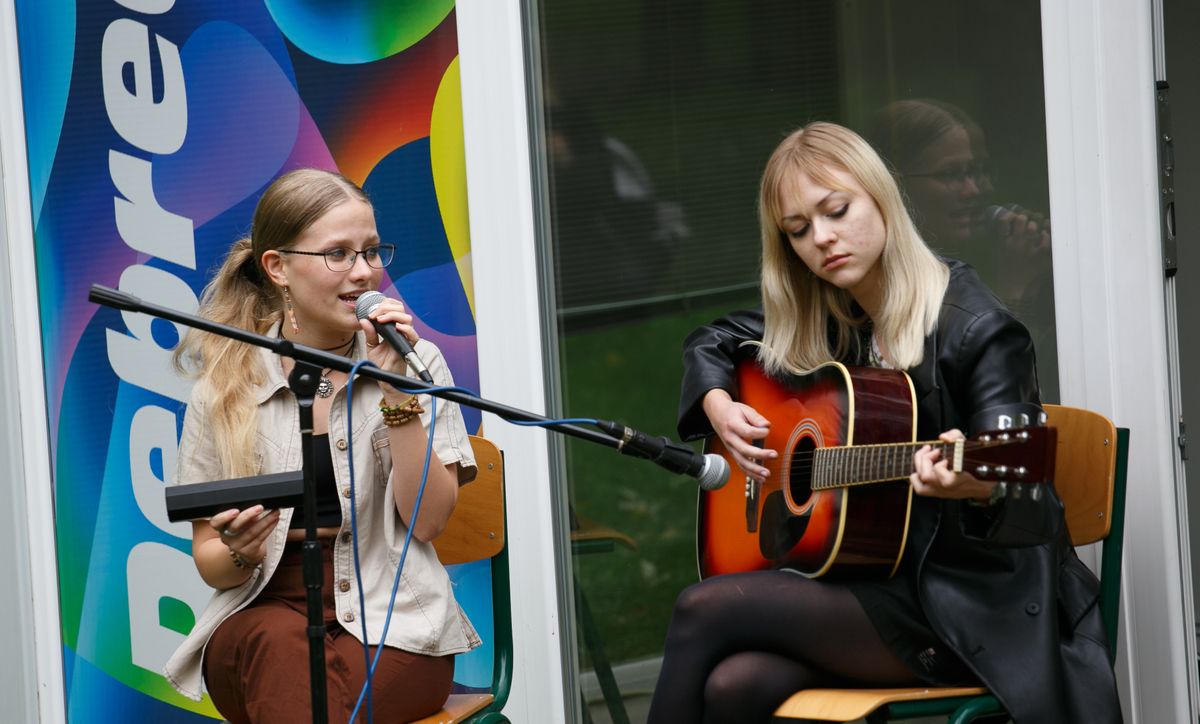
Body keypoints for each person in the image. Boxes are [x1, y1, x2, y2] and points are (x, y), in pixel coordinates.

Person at [645, 123, 1120, 723]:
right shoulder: (836, 316)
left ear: (879, 196)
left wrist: (978, 484)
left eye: (836, 211)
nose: (822, 238)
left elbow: (1026, 488)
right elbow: (714, 339)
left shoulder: (978, 329)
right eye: (798, 230)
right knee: (734, 686)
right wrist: (716, 400)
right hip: (870, 588)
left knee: (702, 609)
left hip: (965, 606)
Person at [162, 168, 479, 723]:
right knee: (277, 647)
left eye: (372, 252)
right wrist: (241, 548)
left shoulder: (416, 364)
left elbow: (428, 523)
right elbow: (212, 563)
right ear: (277, 267)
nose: (364, 273)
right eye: (338, 254)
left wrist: (395, 390)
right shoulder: (226, 385)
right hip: (262, 609)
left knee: (302, 697)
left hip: (392, 621)